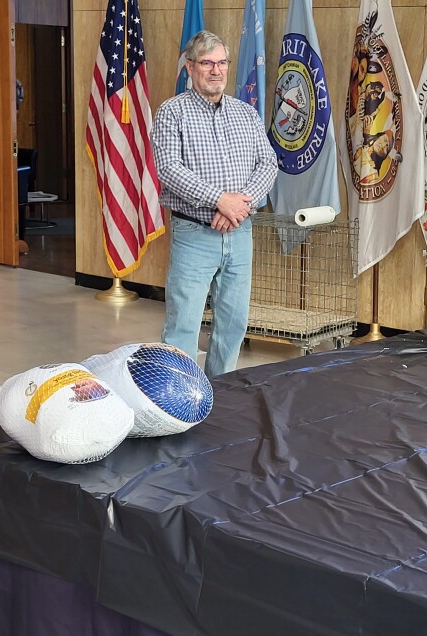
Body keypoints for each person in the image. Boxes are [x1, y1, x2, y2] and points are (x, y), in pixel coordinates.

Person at [151, 31, 277, 377]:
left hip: (239, 233)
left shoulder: (245, 113)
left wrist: (238, 208)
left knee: (234, 322)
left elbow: (268, 164)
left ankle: (221, 394)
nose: (216, 70)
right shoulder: (171, 112)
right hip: (193, 234)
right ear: (190, 67)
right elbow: (169, 169)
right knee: (184, 326)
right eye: (207, 63)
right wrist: (219, 200)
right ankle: (179, 401)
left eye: (222, 63)